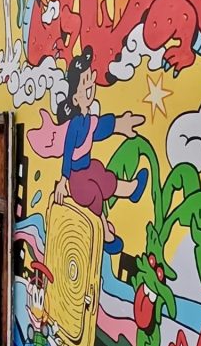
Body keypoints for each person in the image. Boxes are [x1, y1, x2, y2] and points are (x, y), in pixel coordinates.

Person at [53, 46, 148, 254]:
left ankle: (131, 190)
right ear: (75, 99)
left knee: (103, 177)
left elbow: (102, 127)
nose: (90, 86)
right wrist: (63, 180)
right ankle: (105, 234)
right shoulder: (76, 125)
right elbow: (67, 153)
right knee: (94, 192)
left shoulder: (89, 120)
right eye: (85, 83)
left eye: (90, 80)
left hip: (88, 168)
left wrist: (120, 124)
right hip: (77, 178)